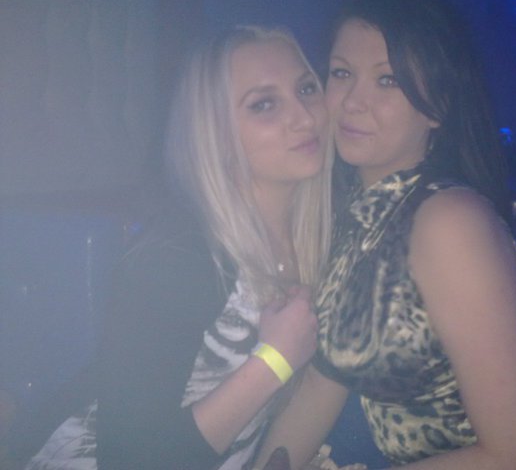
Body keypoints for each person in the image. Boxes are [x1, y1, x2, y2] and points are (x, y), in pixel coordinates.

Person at [254, 0, 516, 469]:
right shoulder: (355, 219)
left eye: (387, 80)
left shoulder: (449, 221)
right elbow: (323, 382)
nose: (353, 102)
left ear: (437, 107)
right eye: (342, 73)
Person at [23, 24, 334, 470]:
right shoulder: (178, 258)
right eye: (264, 104)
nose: (304, 117)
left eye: (306, 88)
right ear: (217, 134)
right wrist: (276, 360)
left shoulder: (320, 239)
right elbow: (132, 460)